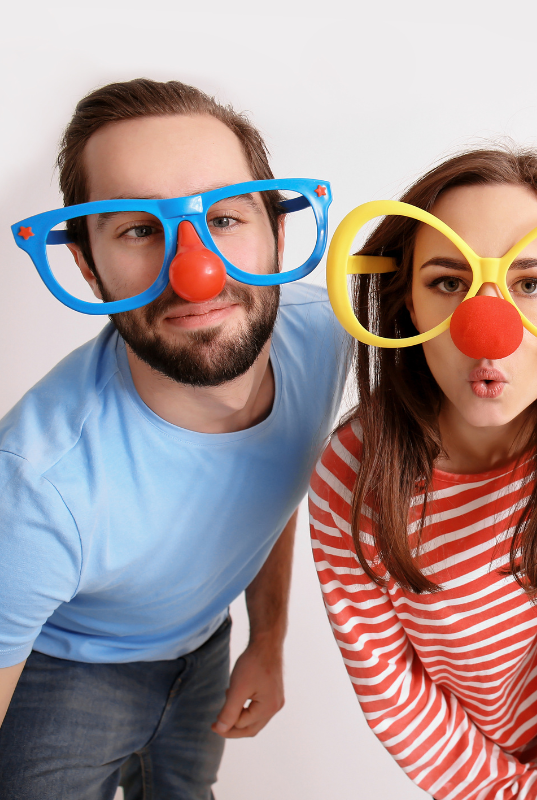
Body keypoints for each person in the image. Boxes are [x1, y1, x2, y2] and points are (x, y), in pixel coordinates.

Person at [0, 78, 349, 799]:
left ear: (276, 234)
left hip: (204, 645)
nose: (195, 274)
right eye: (136, 228)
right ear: (89, 267)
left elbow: (269, 486)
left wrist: (269, 639)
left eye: (223, 219)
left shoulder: (325, 339)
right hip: (63, 673)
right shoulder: (33, 488)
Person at [308, 147, 537, 799]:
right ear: (408, 301)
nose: (486, 327)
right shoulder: (350, 478)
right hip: (460, 765)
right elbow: (394, 692)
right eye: (447, 281)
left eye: (532, 284)